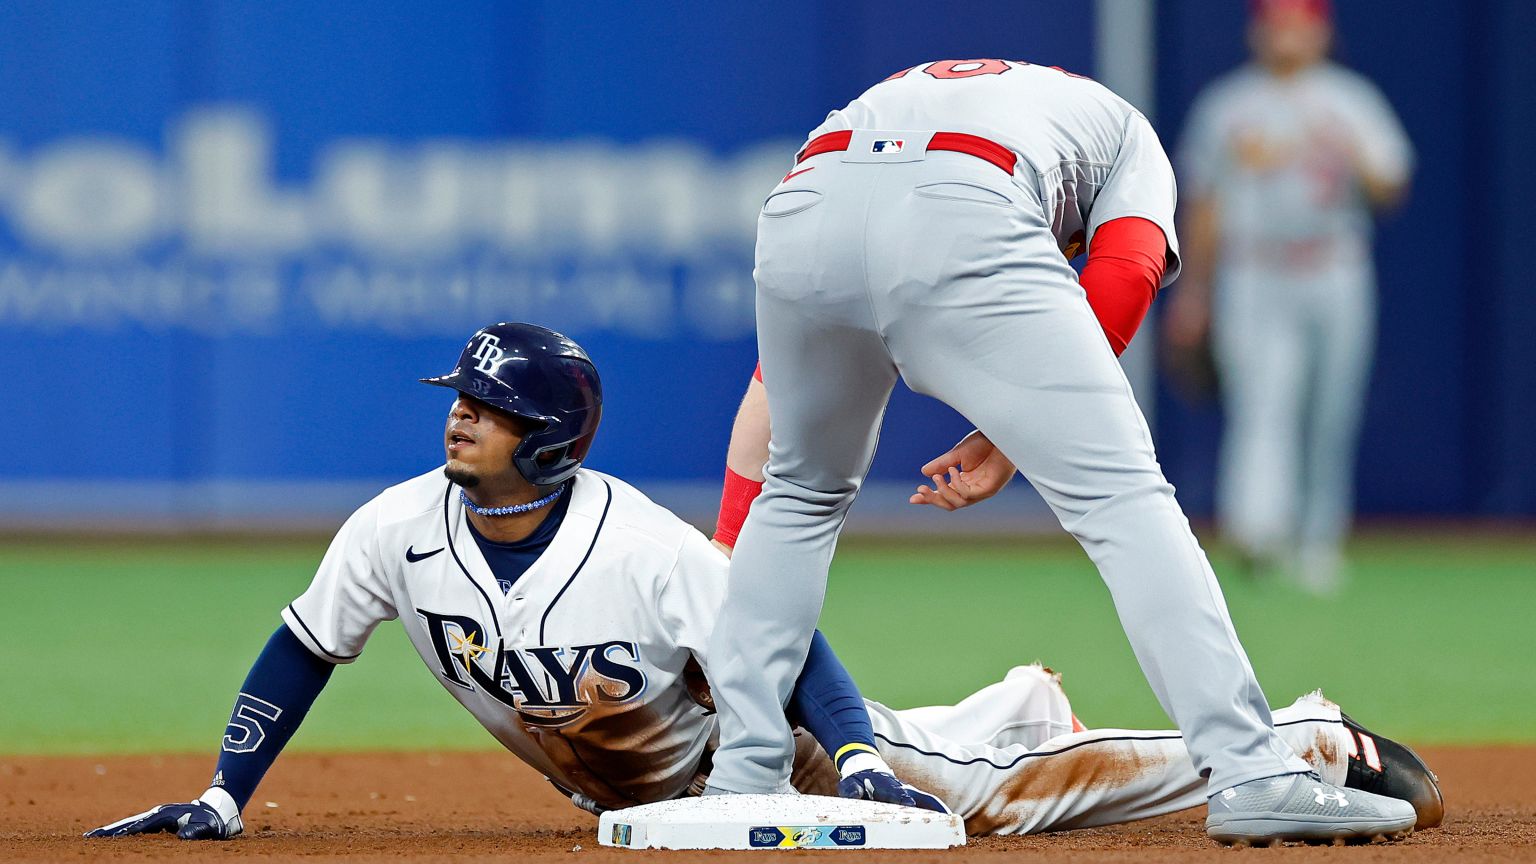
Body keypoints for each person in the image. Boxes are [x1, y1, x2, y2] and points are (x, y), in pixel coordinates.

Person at [84, 322, 1442, 842]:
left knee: (984, 810)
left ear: (545, 438)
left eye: (485, 412)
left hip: (764, 760)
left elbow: (779, 640)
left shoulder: (643, 544)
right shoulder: (394, 530)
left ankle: (1299, 738)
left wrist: (849, 756)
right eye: (460, 403)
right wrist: (221, 794)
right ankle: (1016, 699)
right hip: (655, 792)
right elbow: (303, 646)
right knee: (945, 759)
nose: (458, 424)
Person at [698, 56, 1419, 845]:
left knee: (801, 491)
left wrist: (728, 541)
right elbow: (1125, 271)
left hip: (803, 203)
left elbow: (775, 386)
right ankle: (1251, 769)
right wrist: (1015, 432)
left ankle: (744, 773)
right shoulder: (1130, 138)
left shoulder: (920, 93)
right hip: (964, 201)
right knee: (1123, 499)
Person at [1164, 0, 1413, 591]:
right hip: (1254, 270)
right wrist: (1194, 290)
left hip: (1333, 266)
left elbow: (1391, 184)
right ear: (1258, 33)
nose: (1286, 38)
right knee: (1261, 402)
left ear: (1321, 34)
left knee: (1330, 410)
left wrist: (1345, 150)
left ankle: (1317, 541)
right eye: (1276, 26)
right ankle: (1258, 530)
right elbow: (1204, 205)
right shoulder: (1229, 104)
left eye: (1297, 27)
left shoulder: (1350, 100)